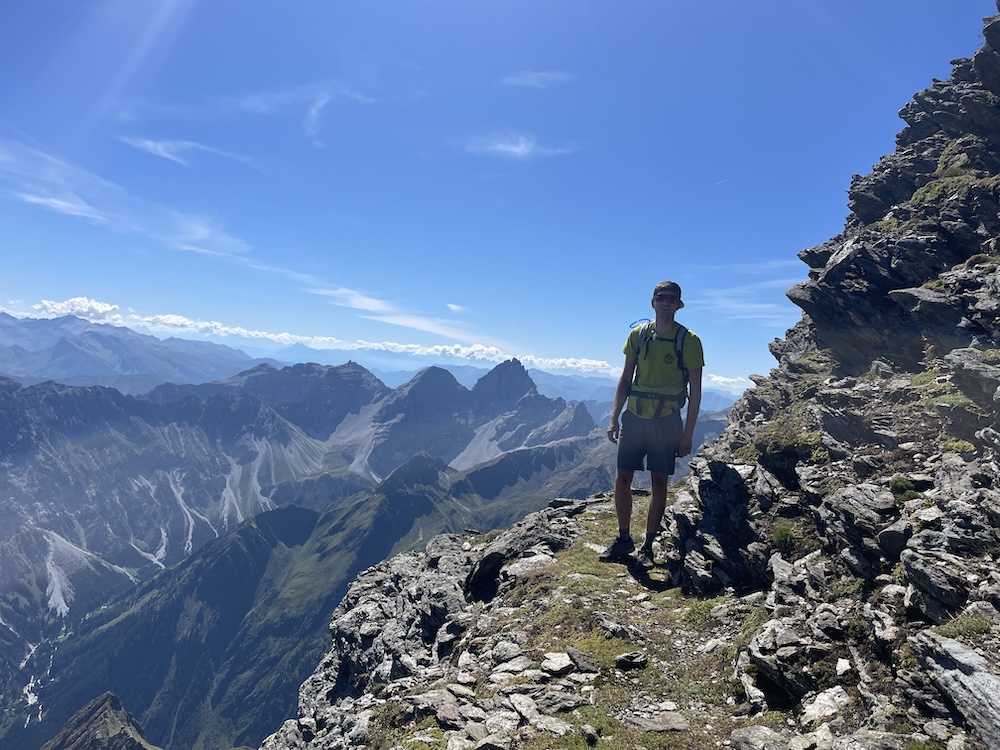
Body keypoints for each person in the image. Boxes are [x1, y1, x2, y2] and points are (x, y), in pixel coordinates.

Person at [600, 280, 704, 568]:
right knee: (623, 479)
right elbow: (625, 380)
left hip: (666, 420)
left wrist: (687, 435)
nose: (666, 302)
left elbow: (696, 392)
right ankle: (624, 540)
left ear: (678, 304)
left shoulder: (690, 341)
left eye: (672, 298)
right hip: (635, 417)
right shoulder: (639, 335)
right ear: (653, 302)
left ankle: (647, 546)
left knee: (659, 483)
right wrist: (614, 417)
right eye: (661, 297)